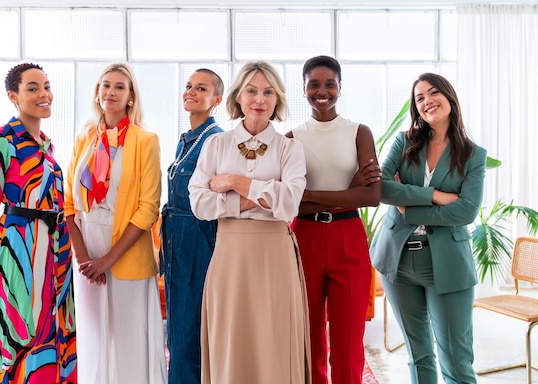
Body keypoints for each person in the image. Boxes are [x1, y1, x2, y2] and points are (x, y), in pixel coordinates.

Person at [188, 60, 311, 384]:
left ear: (278, 99)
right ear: (238, 97)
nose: (260, 99)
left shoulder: (290, 148)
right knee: (231, 338)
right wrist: (259, 197)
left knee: (274, 340)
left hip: (274, 254)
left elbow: (289, 206)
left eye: (268, 92)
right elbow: (199, 203)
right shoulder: (216, 144)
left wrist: (235, 182)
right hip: (230, 253)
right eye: (252, 91)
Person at [370, 72, 486, 384]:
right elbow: (380, 188)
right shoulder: (404, 141)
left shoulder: (473, 155)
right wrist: (435, 196)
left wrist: (407, 205)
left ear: (449, 97)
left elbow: (466, 211)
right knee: (418, 355)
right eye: (419, 98)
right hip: (398, 260)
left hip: (447, 265)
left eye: (433, 93)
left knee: (456, 360)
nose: (426, 101)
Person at [0, 62, 77, 383]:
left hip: (56, 250)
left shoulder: (46, 145)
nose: (44, 94)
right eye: (33, 88)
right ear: (12, 96)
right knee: (19, 333)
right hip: (19, 252)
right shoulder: (1, 140)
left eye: (46, 86)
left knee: (55, 331)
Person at [64, 63, 166, 383]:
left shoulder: (145, 140)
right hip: (85, 243)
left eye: (119, 87)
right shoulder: (84, 137)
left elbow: (148, 208)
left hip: (125, 248)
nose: (110, 92)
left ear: (131, 96)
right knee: (93, 335)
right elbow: (67, 202)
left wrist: (108, 259)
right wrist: (82, 257)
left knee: (128, 337)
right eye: (105, 85)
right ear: (97, 92)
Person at [286, 55, 381, 384]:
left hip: (349, 238)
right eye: (314, 84)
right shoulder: (291, 138)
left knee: (348, 340)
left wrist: (309, 195)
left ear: (340, 87)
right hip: (304, 239)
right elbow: (289, 205)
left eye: (330, 84)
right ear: (304, 89)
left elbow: (371, 196)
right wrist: (348, 191)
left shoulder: (359, 132)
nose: (322, 91)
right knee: (309, 337)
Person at [160, 68, 224, 384]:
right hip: (177, 249)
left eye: (201, 88)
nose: (191, 91)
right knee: (178, 334)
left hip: (200, 246)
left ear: (216, 99)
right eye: (188, 86)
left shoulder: (216, 140)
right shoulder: (187, 140)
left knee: (189, 336)